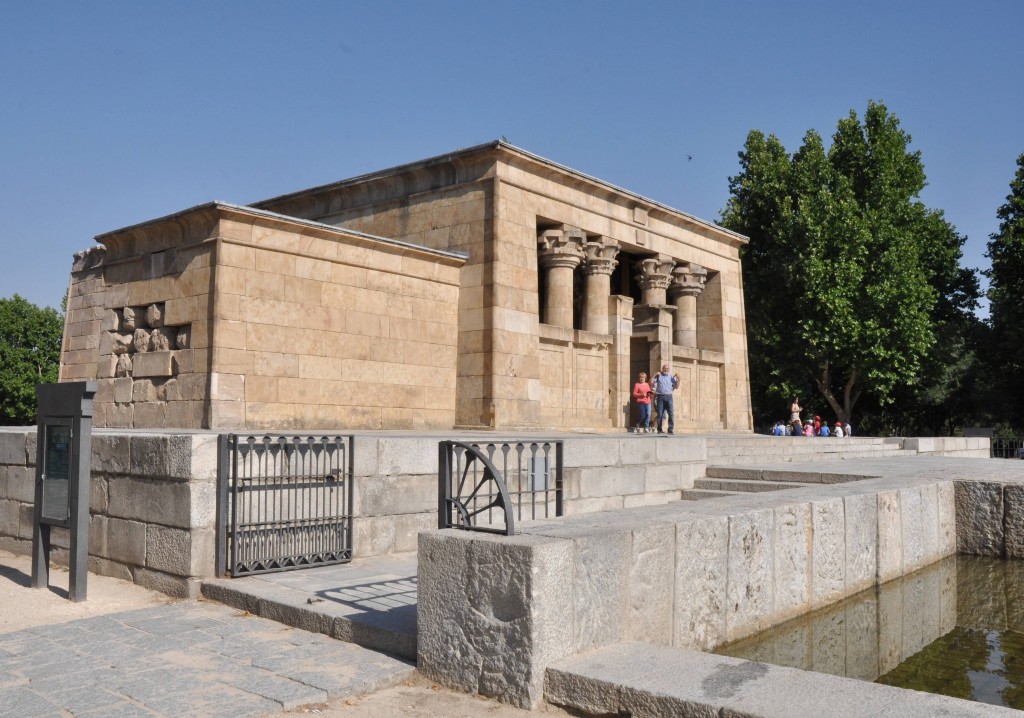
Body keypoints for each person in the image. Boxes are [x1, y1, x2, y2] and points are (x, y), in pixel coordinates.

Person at [651, 364, 679, 434]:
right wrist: (654, 375)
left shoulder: (671, 377)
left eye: (667, 368)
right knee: (660, 414)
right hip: (660, 397)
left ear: (669, 369)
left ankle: (670, 429)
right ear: (662, 369)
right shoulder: (658, 376)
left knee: (671, 413)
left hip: (669, 397)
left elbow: (677, 386)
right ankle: (659, 429)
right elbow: (651, 382)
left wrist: (679, 379)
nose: (665, 369)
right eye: (664, 368)